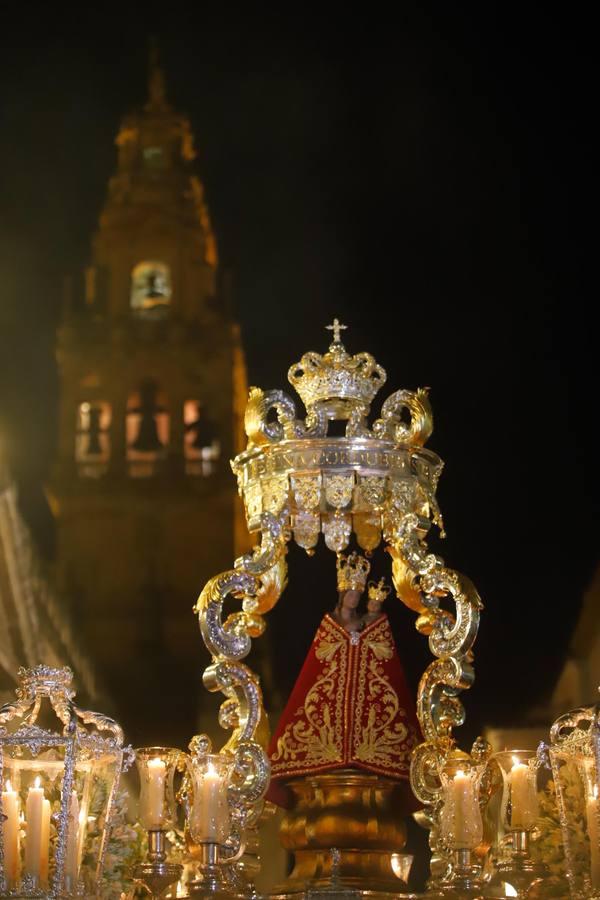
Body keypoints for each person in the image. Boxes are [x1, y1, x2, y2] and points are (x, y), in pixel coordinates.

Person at [267, 551, 421, 804]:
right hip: (332, 701)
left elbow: (379, 645)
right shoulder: (330, 623)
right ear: (341, 596)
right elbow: (323, 655)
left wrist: (372, 621)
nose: (353, 599)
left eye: (356, 596)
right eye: (349, 595)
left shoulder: (363, 621)